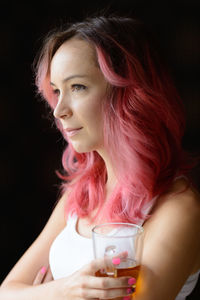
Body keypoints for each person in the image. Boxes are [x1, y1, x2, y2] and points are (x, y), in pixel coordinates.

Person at [0, 14, 200, 300]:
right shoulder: (80, 194)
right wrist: (65, 290)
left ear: (128, 94)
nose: (59, 110)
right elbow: (7, 292)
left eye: (77, 87)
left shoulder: (178, 209)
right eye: (57, 91)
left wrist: (39, 293)